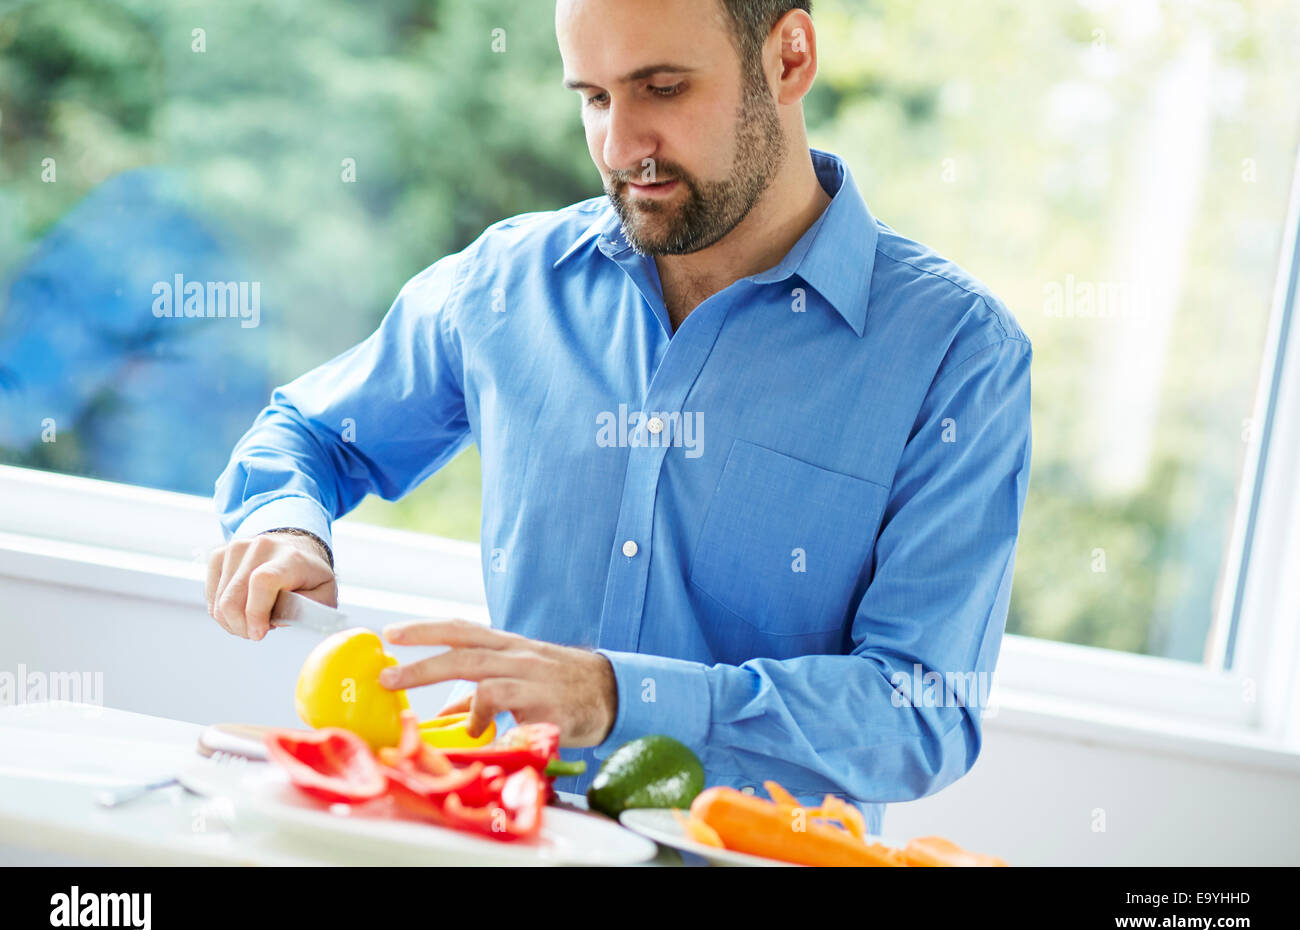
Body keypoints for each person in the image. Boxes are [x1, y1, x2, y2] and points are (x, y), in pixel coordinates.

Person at [208, 0, 1032, 833]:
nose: (618, 146)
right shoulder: (509, 285)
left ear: (788, 58)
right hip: (501, 844)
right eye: (594, 98)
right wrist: (288, 526)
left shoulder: (956, 354)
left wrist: (616, 697)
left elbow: (920, 713)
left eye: (663, 89)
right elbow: (308, 432)